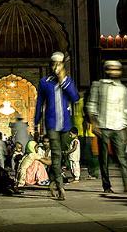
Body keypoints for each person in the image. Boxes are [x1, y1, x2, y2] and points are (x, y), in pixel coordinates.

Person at [35, 51, 80, 201]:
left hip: (66, 124)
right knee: (55, 155)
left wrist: (63, 80)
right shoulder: (45, 82)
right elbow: (40, 102)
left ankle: (53, 181)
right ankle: (60, 187)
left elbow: (75, 97)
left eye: (58, 64)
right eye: (54, 64)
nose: (56, 67)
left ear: (63, 65)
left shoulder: (68, 81)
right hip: (52, 124)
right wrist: (36, 120)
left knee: (63, 155)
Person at [87, 60, 127, 194]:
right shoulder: (98, 85)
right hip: (103, 126)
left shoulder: (123, 89)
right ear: (106, 70)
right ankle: (106, 185)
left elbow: (125, 110)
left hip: (119, 127)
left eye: (116, 69)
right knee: (104, 159)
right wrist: (94, 123)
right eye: (111, 69)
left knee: (122, 157)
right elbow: (91, 105)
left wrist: (125, 128)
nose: (113, 72)